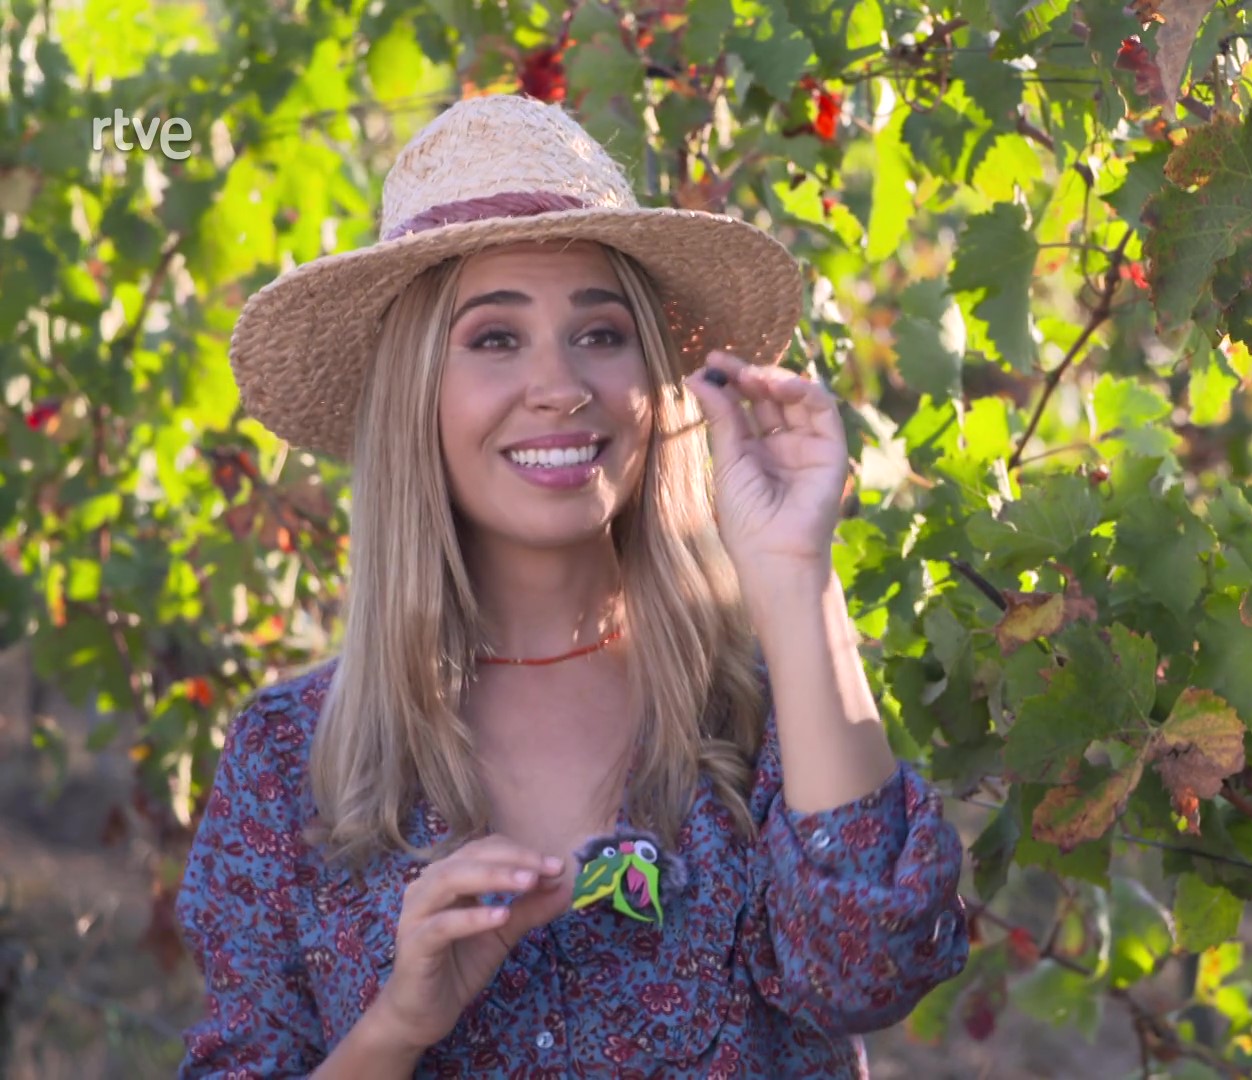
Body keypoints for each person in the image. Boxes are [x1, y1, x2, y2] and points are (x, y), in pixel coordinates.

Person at [174, 92, 970, 1078]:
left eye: (600, 334)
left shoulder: (763, 711)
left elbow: (870, 971)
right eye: (494, 339)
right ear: (415, 395)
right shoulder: (291, 759)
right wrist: (396, 1027)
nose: (562, 386)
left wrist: (797, 573)